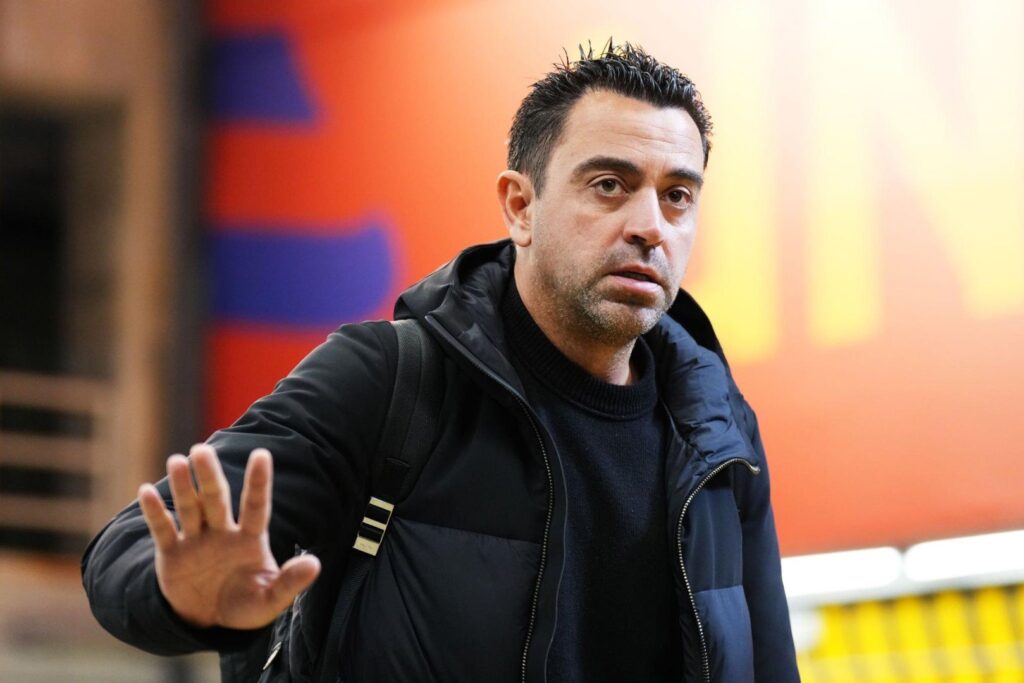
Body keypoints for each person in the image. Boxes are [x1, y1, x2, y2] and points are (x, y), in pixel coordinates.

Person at [82, 42, 799, 682]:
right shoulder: (390, 378)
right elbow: (130, 547)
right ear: (520, 206)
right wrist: (183, 594)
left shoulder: (720, 432)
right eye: (608, 184)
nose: (649, 226)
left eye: (677, 196)